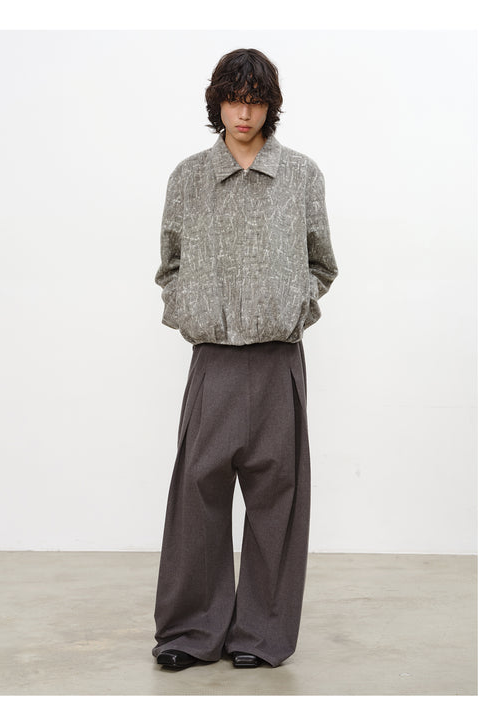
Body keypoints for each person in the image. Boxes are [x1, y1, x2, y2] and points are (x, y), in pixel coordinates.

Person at [151, 48, 338, 670]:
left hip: (279, 358)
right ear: (218, 103)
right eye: (234, 99)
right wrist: (190, 310)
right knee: (197, 497)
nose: (244, 113)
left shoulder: (301, 175)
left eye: (256, 101)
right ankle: (190, 632)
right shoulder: (189, 177)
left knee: (277, 500)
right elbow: (169, 265)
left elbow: (322, 263)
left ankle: (261, 634)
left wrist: (295, 306)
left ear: (270, 107)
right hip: (214, 360)